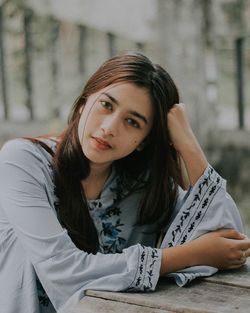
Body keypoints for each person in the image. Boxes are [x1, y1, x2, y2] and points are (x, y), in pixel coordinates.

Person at [0, 52, 249, 313]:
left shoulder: (142, 186)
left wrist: (189, 147)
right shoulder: (23, 162)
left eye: (132, 122)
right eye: (106, 105)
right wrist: (190, 254)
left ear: (143, 140)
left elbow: (228, 242)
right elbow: (64, 270)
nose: (109, 127)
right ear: (85, 101)